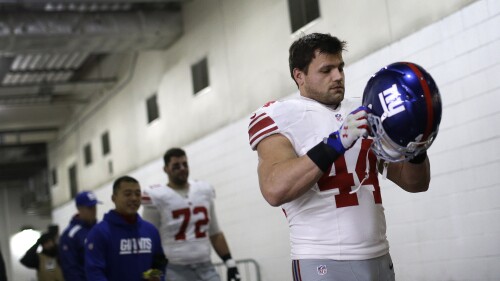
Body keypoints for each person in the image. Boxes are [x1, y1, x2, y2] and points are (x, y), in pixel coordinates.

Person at [247, 33, 434, 280]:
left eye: (340, 67)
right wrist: (335, 143)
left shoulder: (365, 110)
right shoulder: (280, 114)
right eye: (326, 70)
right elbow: (274, 188)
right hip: (322, 259)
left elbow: (415, 184)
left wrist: (416, 150)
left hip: (379, 256)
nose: (338, 76)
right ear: (299, 75)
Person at [142, 148, 241, 281]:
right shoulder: (157, 196)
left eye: (185, 164)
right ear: (165, 169)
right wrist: (153, 269)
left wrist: (230, 262)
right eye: (176, 166)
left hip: (206, 267)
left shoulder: (203, 190)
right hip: (174, 270)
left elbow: (215, 232)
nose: (182, 168)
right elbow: (148, 237)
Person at [85, 176, 167, 281]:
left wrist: (156, 277)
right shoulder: (99, 233)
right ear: (114, 198)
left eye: (137, 194)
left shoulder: (151, 231)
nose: (134, 198)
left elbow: (159, 265)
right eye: (127, 194)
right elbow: (94, 273)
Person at [59, 191, 101, 281]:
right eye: (90, 208)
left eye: (94, 207)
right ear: (79, 208)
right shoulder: (70, 235)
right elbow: (71, 269)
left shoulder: (101, 229)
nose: (94, 211)